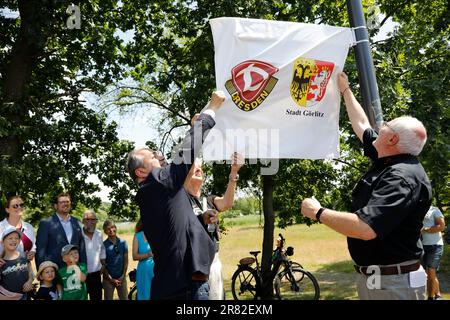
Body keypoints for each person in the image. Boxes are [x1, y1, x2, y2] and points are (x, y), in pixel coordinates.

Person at [300, 72, 431, 300]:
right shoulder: (387, 157)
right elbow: (360, 124)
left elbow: (365, 229)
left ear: (392, 140)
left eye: (387, 125)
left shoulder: (401, 178)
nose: (381, 125)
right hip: (378, 279)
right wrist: (345, 90)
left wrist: (318, 213)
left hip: (394, 284)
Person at [127, 90, 225, 300]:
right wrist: (212, 109)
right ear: (140, 172)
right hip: (184, 289)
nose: (159, 156)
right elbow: (185, 154)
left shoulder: (157, 191)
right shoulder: (156, 184)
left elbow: (174, 226)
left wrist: (199, 219)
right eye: (153, 156)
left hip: (180, 284)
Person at [183, 152, 243, 300]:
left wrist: (234, 172)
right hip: (193, 265)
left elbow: (227, 203)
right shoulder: (180, 200)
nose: (199, 169)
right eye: (194, 167)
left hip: (213, 261)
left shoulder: (208, 199)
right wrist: (201, 219)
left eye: (200, 167)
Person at [35, 193, 87, 269]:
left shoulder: (77, 222)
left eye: (67, 202)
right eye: (62, 202)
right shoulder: (46, 223)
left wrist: (83, 268)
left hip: (75, 269)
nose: (65, 204)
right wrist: (42, 271)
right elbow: (40, 250)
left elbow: (82, 248)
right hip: (54, 270)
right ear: (56, 206)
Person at [0, 226, 34, 300]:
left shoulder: (25, 255)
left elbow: (30, 271)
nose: (14, 240)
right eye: (10, 238)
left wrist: (30, 281)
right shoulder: (1, 261)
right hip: (8, 297)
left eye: (16, 238)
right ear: (3, 242)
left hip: (26, 295)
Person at [0, 196, 36, 263]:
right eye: (15, 206)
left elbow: (33, 245)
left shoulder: (29, 227)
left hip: (25, 269)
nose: (19, 207)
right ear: (7, 210)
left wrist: (32, 252)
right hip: (4, 270)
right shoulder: (1, 227)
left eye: (21, 205)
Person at [421, 205, 445, 300]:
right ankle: (438, 294)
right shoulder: (417, 209)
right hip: (421, 246)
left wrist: (425, 229)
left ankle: (431, 297)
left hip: (435, 246)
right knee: (427, 273)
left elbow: (442, 226)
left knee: (430, 272)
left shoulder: (434, 210)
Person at [82, 209, 106, 300]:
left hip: (96, 275)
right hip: (82, 274)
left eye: (93, 219)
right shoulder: (78, 234)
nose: (90, 222)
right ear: (83, 221)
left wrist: (103, 264)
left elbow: (102, 249)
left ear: (96, 221)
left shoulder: (99, 234)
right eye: (87, 219)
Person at [102, 220, 128, 300]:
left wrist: (123, 275)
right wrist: (110, 279)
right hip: (108, 280)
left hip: (121, 278)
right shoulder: (103, 245)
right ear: (105, 231)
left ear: (116, 228)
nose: (111, 230)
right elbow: (103, 264)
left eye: (113, 227)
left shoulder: (123, 242)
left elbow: (126, 261)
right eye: (108, 229)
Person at [132, 219, 154, 300]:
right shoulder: (137, 236)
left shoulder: (156, 234)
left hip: (156, 269)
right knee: (145, 296)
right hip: (143, 271)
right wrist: (148, 254)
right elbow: (134, 256)